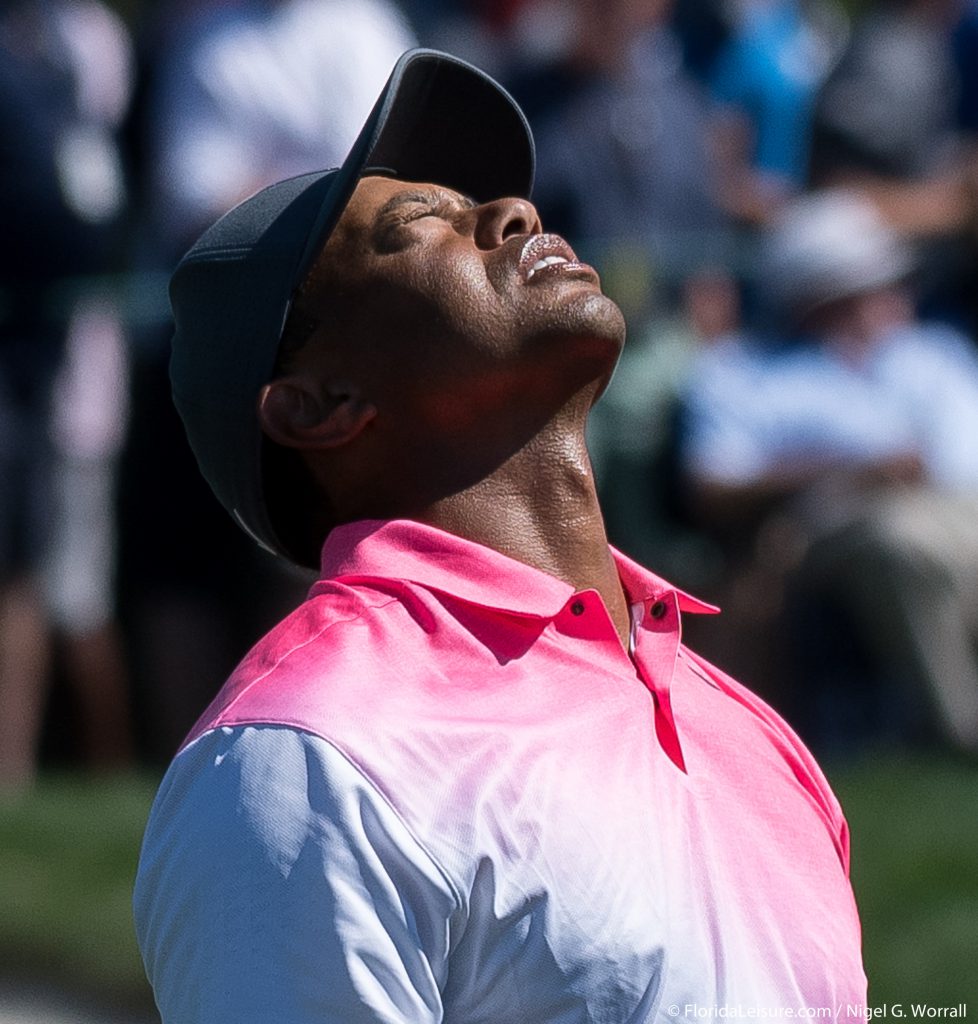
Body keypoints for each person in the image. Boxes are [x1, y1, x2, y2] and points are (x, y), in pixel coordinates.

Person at [133, 49, 867, 1021]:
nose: (513, 212)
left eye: (478, 199)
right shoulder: (305, 753)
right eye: (415, 227)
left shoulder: (753, 734)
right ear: (320, 404)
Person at [679, 188, 978, 752]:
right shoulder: (743, 372)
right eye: (870, 288)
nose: (892, 299)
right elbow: (715, 484)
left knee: (926, 540)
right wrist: (854, 468)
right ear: (818, 298)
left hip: (956, 510)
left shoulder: (932, 354)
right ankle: (961, 731)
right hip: (829, 528)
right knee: (904, 545)